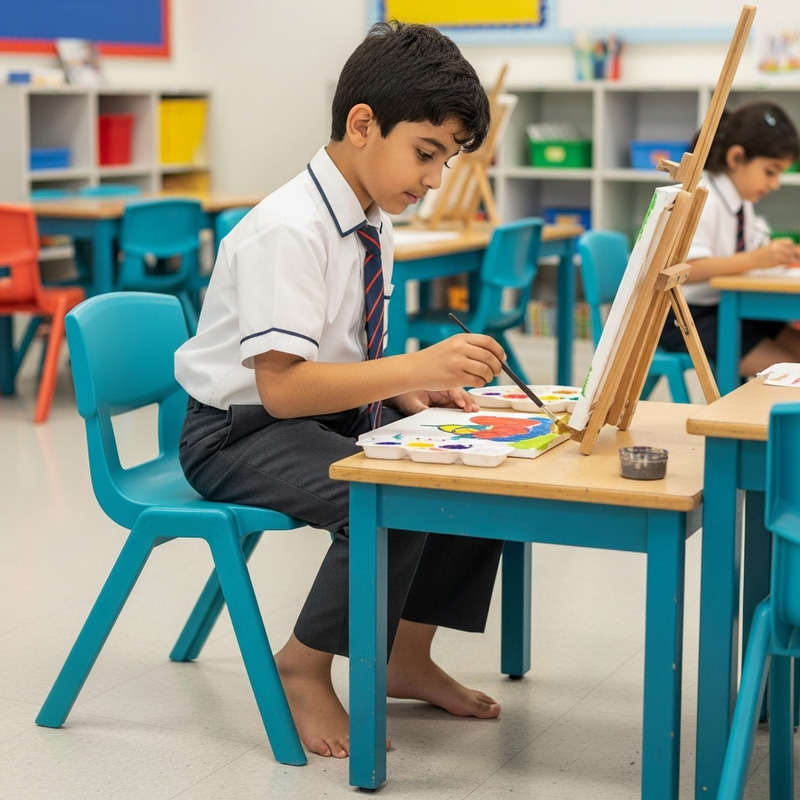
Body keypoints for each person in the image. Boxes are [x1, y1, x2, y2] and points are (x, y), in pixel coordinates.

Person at [175, 20, 507, 760]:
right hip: (237, 431)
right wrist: (415, 370)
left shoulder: (369, 217)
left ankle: (403, 657)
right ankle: (303, 663)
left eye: (446, 160)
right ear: (363, 125)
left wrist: (409, 399)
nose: (433, 178)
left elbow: (345, 354)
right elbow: (284, 390)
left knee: (471, 471)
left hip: (315, 411)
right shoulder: (287, 229)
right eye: (426, 153)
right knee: (384, 495)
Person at [659, 99, 800, 377]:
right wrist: (754, 259)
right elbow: (686, 270)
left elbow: (751, 254)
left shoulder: (740, 203)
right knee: (791, 374)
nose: (774, 184)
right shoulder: (702, 198)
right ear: (736, 158)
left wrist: (779, 255)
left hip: (721, 309)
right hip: (682, 317)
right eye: (770, 172)